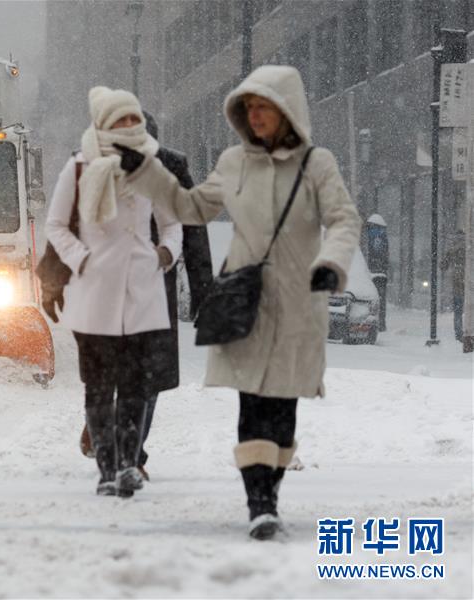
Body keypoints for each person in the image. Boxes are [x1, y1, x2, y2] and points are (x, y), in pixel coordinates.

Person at [116, 66, 361, 539]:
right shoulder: (232, 163)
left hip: (296, 304)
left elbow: (343, 219)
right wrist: (147, 174)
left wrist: (331, 262)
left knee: (282, 408)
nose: (254, 115)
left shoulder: (317, 165)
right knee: (251, 404)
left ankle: (271, 487)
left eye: (263, 106)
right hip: (247, 302)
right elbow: (190, 208)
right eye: (248, 108)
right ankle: (260, 504)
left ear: (287, 110)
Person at [44, 86, 181, 498]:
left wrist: (164, 255)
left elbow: (173, 223)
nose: (128, 125)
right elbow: (55, 225)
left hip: (142, 290)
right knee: (100, 387)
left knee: (137, 385)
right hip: (96, 292)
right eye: (120, 119)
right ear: (103, 123)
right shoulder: (81, 166)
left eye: (132, 118)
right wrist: (80, 259)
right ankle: (106, 468)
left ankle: (128, 464)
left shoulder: (152, 168)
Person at [78, 110, 213, 482]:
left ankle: (131, 455)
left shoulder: (171, 168)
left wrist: (203, 290)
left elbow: (193, 229)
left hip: (155, 286)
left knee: (148, 378)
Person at [440, 229, 466, 342]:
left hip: (457, 284)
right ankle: (466, 332)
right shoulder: (469, 248)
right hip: (469, 284)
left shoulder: (452, 250)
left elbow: (443, 266)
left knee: (458, 311)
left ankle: (459, 334)